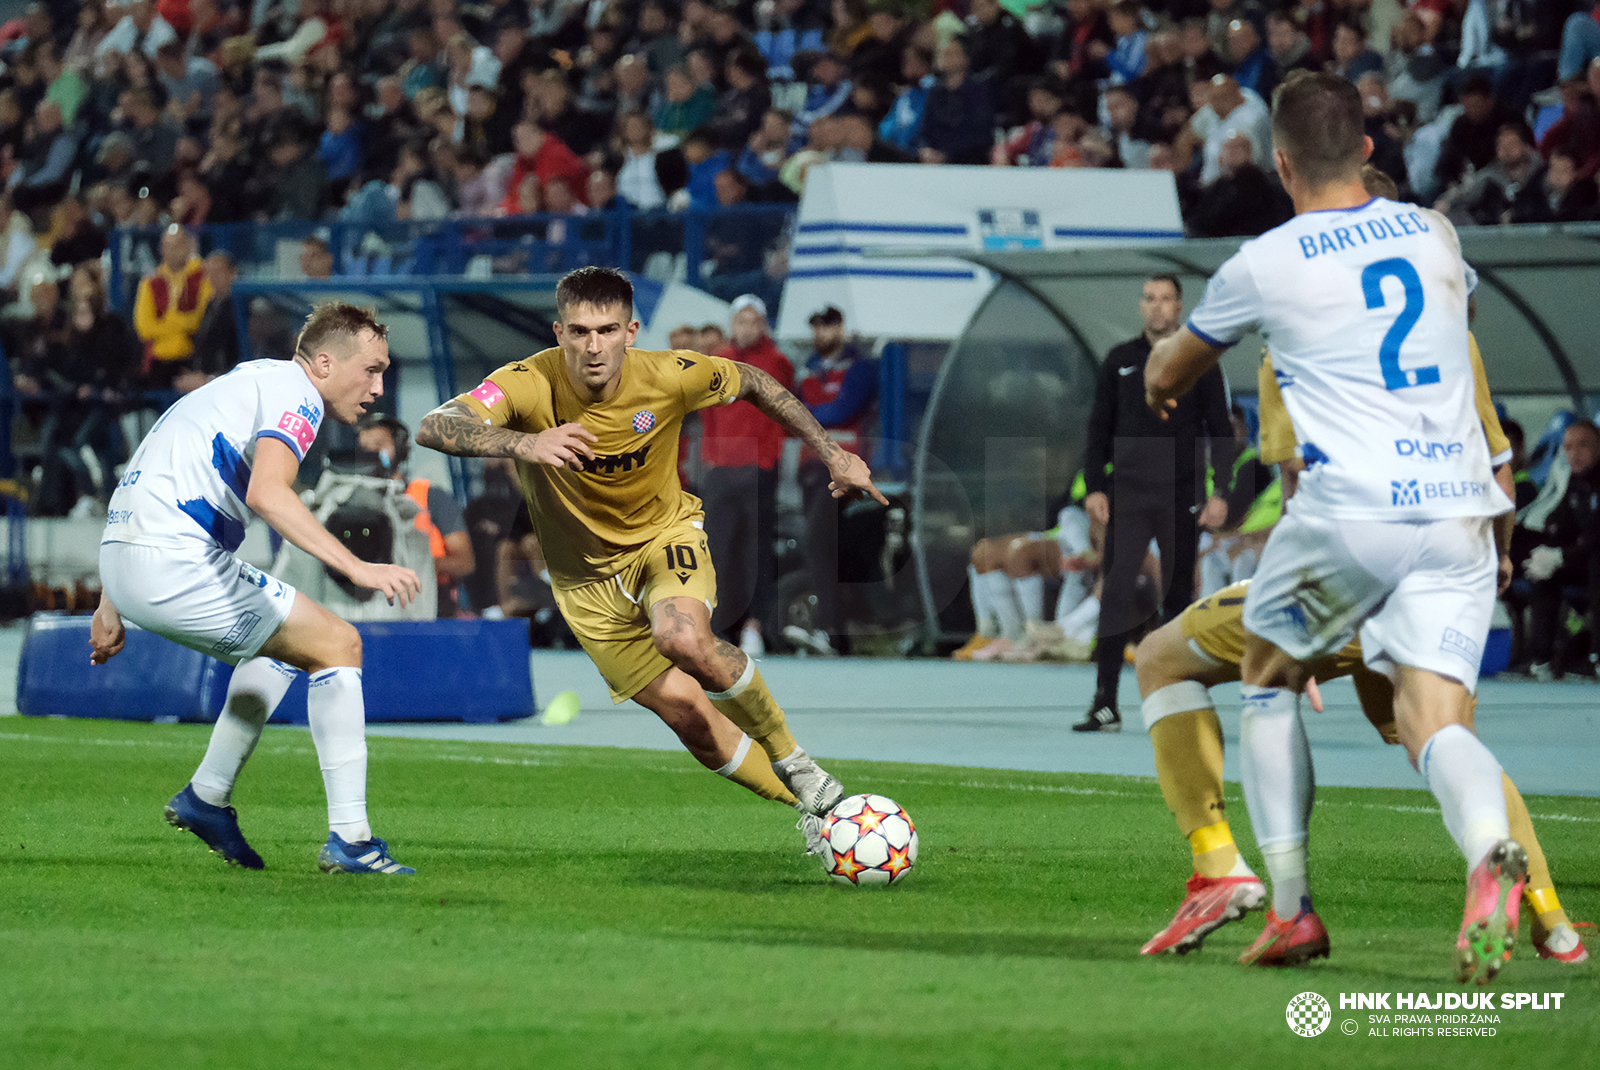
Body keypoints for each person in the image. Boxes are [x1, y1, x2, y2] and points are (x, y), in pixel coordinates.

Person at [1145, 71, 1526, 984]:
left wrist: (1162, 369)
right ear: (1366, 148)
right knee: (1435, 722)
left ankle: (1290, 911)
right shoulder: (1436, 231)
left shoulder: (1266, 262)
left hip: (1354, 510)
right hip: (1461, 510)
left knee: (1268, 678)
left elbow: (1171, 372)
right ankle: (1487, 854)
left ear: (1280, 164)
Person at [1136, 307, 1588, 966]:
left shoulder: (1292, 321)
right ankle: (1552, 921)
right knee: (1442, 736)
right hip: (1442, 565)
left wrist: (1297, 630)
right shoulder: (1450, 335)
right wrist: (1500, 556)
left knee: (1160, 658)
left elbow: (1295, 487)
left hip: (1345, 561)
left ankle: (1229, 873)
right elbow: (1499, 468)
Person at [415, 267, 888, 854]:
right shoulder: (524, 383)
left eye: (608, 330)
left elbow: (757, 383)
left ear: (631, 331)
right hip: (584, 583)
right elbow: (434, 425)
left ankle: (798, 762)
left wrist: (833, 453)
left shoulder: (670, 373)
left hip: (662, 539)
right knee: (688, 713)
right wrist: (526, 442)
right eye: (580, 332)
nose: (594, 347)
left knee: (682, 638)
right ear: (558, 331)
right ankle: (817, 810)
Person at [90, 303, 423, 875]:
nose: (378, 387)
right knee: (338, 644)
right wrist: (360, 567)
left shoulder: (247, 380)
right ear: (323, 362)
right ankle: (351, 839)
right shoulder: (296, 396)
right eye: (370, 369)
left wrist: (110, 594)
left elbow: (153, 460)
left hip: (126, 554)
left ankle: (207, 798)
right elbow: (271, 493)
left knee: (285, 649)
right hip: (171, 559)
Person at [1075, 274, 1233, 733]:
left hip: (1181, 492)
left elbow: (1219, 427)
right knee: (1116, 591)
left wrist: (1219, 490)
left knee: (1179, 596)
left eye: (1166, 299)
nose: (1158, 307)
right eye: (1150, 298)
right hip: (1128, 492)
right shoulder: (1120, 360)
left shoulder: (1199, 360)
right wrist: (1095, 487)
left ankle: (1181, 703)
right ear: (1140, 306)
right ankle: (1105, 701)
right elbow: (1098, 428)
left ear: (1180, 307)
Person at [700, 294, 792, 656]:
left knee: (756, 552)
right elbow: (709, 415)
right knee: (719, 551)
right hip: (721, 471)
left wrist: (767, 460)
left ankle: (754, 625)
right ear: (732, 324)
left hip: (757, 471)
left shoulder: (778, 362)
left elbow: (782, 412)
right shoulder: (719, 361)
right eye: (741, 320)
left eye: (753, 320)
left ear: (764, 325)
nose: (747, 327)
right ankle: (720, 627)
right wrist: (712, 457)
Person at [793, 305, 877, 656]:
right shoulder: (809, 368)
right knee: (826, 545)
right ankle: (841, 631)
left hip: (844, 468)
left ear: (842, 329)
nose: (822, 334)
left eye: (829, 327)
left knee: (817, 541)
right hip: (812, 468)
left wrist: (805, 415)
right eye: (817, 327)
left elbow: (842, 409)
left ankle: (831, 628)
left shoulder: (861, 368)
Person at [356, 413, 476, 617]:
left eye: (379, 445)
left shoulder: (432, 497)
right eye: (365, 449)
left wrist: (416, 565)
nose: (372, 453)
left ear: (400, 450)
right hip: (372, 609)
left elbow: (465, 562)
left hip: (433, 608)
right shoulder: (354, 500)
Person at [1521, 420, 1600, 680]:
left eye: (1583, 446)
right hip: (1585, 559)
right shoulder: (1575, 484)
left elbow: (1595, 537)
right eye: (1568, 448)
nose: (1574, 453)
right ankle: (1542, 660)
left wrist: (1562, 555)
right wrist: (1546, 554)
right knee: (1544, 574)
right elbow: (1560, 525)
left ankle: (1596, 655)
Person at [132, 224, 212, 393]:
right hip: (158, 362)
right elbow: (144, 328)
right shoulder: (150, 282)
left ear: (188, 245)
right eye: (167, 246)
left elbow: (198, 320)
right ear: (161, 248)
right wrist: (179, 323)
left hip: (192, 357)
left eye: (177, 245)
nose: (172, 251)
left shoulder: (204, 275)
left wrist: (166, 321)